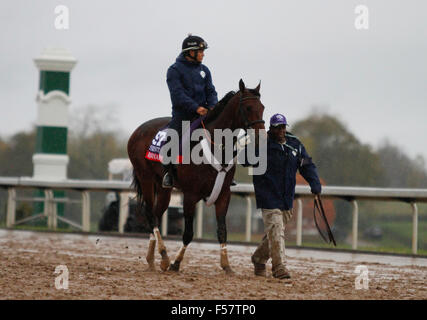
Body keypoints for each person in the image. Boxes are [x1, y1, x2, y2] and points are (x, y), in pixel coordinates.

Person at [251, 113, 322, 279]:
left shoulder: (294, 144)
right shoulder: (262, 144)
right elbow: (245, 159)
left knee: (275, 233)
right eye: (278, 128)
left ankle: (258, 258)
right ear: (271, 129)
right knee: (276, 230)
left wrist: (315, 184)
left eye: (283, 127)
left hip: (286, 199)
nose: (281, 130)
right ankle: (279, 267)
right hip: (267, 196)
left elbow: (307, 165)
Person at [162, 34, 218, 188]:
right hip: (183, 115)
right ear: (190, 52)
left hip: (205, 114)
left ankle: (223, 174)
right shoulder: (174, 70)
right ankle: (169, 174)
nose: (203, 54)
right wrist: (196, 107)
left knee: (222, 136)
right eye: (200, 51)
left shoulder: (205, 70)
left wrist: (213, 106)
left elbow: (211, 91)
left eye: (203, 51)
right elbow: (177, 94)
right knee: (171, 139)